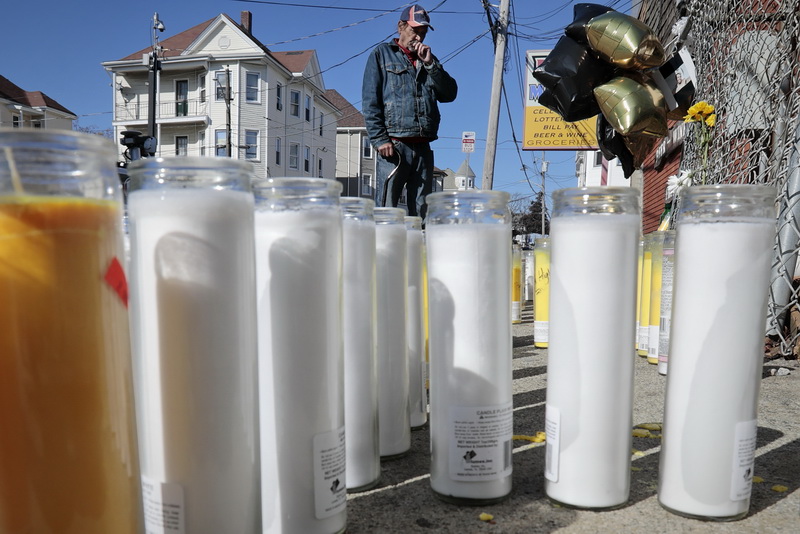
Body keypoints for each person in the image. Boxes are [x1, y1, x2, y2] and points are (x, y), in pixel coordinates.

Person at [362, 4, 458, 220]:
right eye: (415, 30)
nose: (419, 37)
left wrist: (431, 64)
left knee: (423, 210)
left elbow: (450, 94)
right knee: (388, 210)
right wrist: (379, 139)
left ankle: (419, 251)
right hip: (394, 146)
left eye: (423, 33)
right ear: (401, 27)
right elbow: (371, 100)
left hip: (423, 145)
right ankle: (386, 252)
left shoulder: (429, 61)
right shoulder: (382, 55)